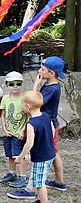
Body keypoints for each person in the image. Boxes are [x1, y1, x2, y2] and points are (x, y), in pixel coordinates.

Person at [10, 91, 56, 203]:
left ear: (28, 106)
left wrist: (20, 157)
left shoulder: (31, 124)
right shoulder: (46, 116)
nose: (21, 106)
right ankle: (40, 202)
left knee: (39, 183)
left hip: (40, 157)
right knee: (37, 178)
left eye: (22, 104)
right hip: (49, 154)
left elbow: (29, 144)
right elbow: (52, 130)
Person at [33, 56, 67, 191]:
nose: (39, 72)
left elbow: (36, 101)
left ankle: (60, 181)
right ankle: (59, 181)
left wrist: (36, 85)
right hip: (46, 123)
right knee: (53, 151)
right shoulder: (49, 85)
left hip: (49, 125)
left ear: (52, 73)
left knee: (53, 152)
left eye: (42, 69)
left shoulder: (52, 88)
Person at [0, 71, 29, 187]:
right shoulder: (5, 98)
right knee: (10, 154)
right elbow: (3, 115)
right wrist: (5, 129)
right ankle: (12, 173)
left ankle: (23, 176)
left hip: (19, 133)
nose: (15, 86)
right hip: (9, 132)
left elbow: (28, 116)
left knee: (20, 155)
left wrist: (23, 130)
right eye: (12, 84)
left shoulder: (24, 98)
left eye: (18, 84)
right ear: (6, 85)